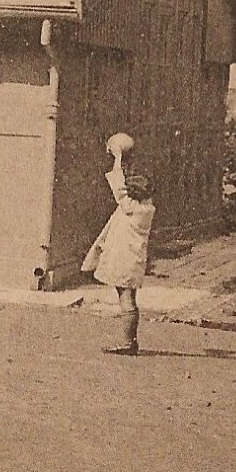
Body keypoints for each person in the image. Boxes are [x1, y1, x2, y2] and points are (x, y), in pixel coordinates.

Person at [81, 132, 157, 356]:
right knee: (127, 295)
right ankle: (129, 341)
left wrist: (117, 158)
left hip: (126, 256)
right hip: (134, 256)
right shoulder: (146, 207)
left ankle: (128, 343)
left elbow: (118, 187)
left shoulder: (130, 206)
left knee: (126, 296)